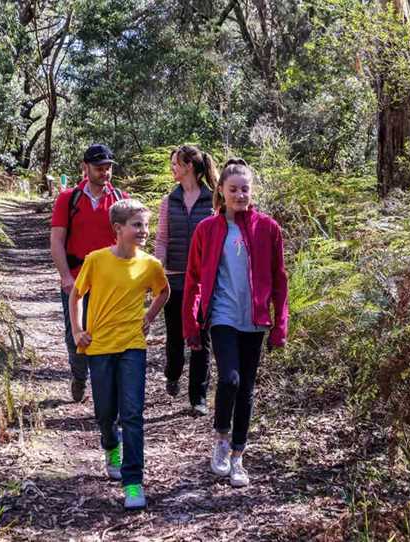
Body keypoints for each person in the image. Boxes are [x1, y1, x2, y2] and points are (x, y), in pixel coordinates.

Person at [182, 158, 288, 488]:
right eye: (233, 189)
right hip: (223, 316)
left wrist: (279, 324)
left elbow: (280, 279)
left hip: (254, 319)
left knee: (246, 389)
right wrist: (191, 323)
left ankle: (239, 456)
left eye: (245, 189)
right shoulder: (208, 229)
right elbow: (194, 279)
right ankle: (221, 441)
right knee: (229, 379)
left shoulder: (268, 228)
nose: (240, 195)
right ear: (221, 191)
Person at [69, 199, 169, 510]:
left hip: (132, 347)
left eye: (145, 225)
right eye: (137, 225)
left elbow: (163, 291)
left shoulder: (150, 264)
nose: (144, 231)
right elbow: (75, 294)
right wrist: (76, 331)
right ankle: (110, 444)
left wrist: (149, 316)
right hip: (98, 347)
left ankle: (133, 481)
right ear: (118, 229)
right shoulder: (96, 261)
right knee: (105, 412)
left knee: (133, 413)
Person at [50, 144, 126, 402]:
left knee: (107, 335)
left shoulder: (120, 200)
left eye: (108, 168)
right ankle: (79, 376)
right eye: (99, 168)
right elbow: (57, 240)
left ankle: (105, 391)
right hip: (77, 278)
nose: (104, 173)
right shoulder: (68, 199)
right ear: (85, 168)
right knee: (76, 334)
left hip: (110, 281)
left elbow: (129, 242)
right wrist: (65, 276)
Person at [154, 145, 217, 415]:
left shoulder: (213, 200)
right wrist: (157, 269)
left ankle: (198, 398)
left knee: (202, 338)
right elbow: (162, 239)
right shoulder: (169, 201)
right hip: (175, 279)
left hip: (204, 282)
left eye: (176, 164)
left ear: (189, 165)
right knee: (176, 335)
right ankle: (172, 372)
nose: (173, 169)